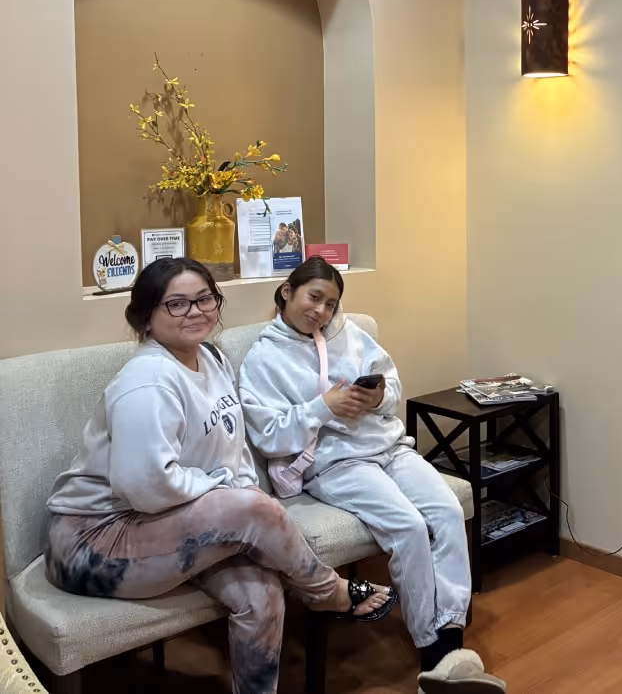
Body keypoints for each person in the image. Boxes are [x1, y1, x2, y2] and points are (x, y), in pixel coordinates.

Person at [45, 258, 396, 694]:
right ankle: (326, 592)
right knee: (249, 507)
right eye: (175, 303)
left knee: (262, 590)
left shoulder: (210, 358)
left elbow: (232, 449)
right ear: (145, 317)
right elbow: (146, 487)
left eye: (204, 298)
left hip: (164, 521)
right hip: (94, 541)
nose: (195, 311)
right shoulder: (148, 382)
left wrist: (236, 492)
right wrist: (231, 497)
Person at [238, 258, 505, 694]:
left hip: (390, 448)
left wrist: (379, 395)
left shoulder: (350, 335)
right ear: (287, 292)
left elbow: (393, 385)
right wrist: (322, 407)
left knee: (446, 510)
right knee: (409, 526)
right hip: (335, 463)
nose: (321, 311)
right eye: (314, 297)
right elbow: (268, 435)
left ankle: (452, 641)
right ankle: (434, 656)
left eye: (331, 303)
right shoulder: (263, 359)